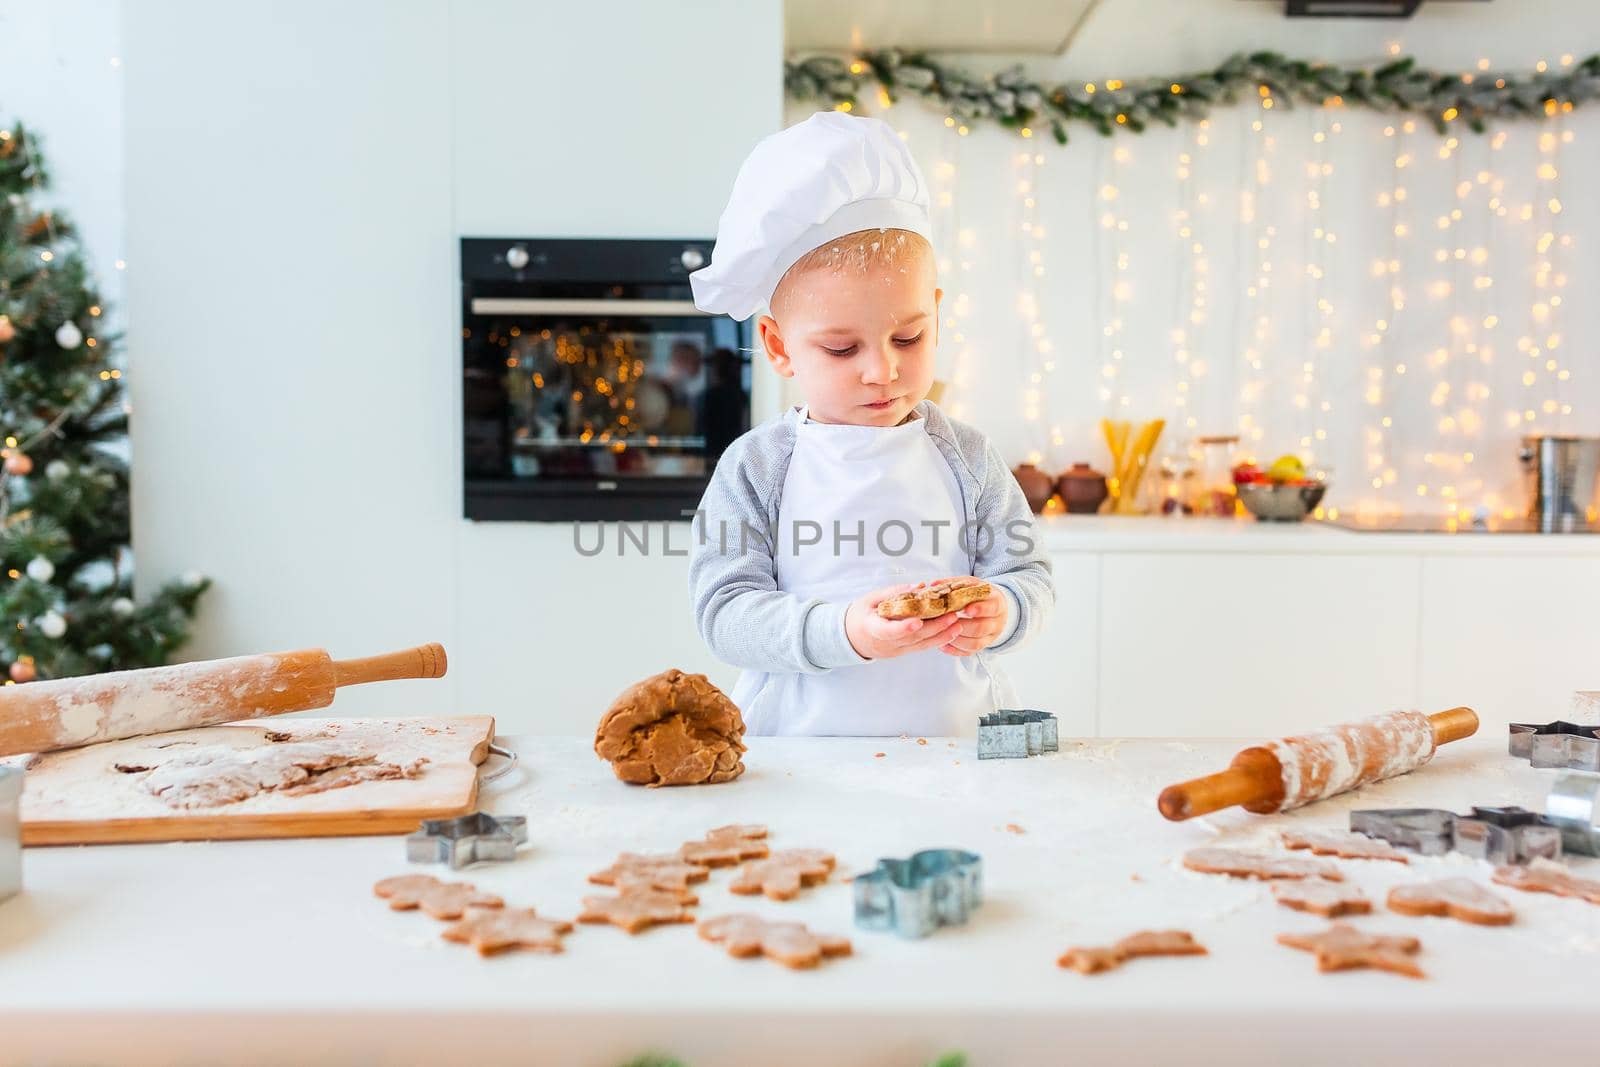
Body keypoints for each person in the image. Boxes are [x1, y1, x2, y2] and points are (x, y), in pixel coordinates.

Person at [684, 111, 1054, 737]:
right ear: (778, 346)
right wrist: (845, 632)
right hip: (799, 753)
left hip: (958, 743)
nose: (882, 371)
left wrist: (1006, 610)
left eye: (908, 337)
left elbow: (1029, 575)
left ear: (935, 315)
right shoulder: (757, 466)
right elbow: (725, 615)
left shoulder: (966, 456)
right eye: (841, 349)